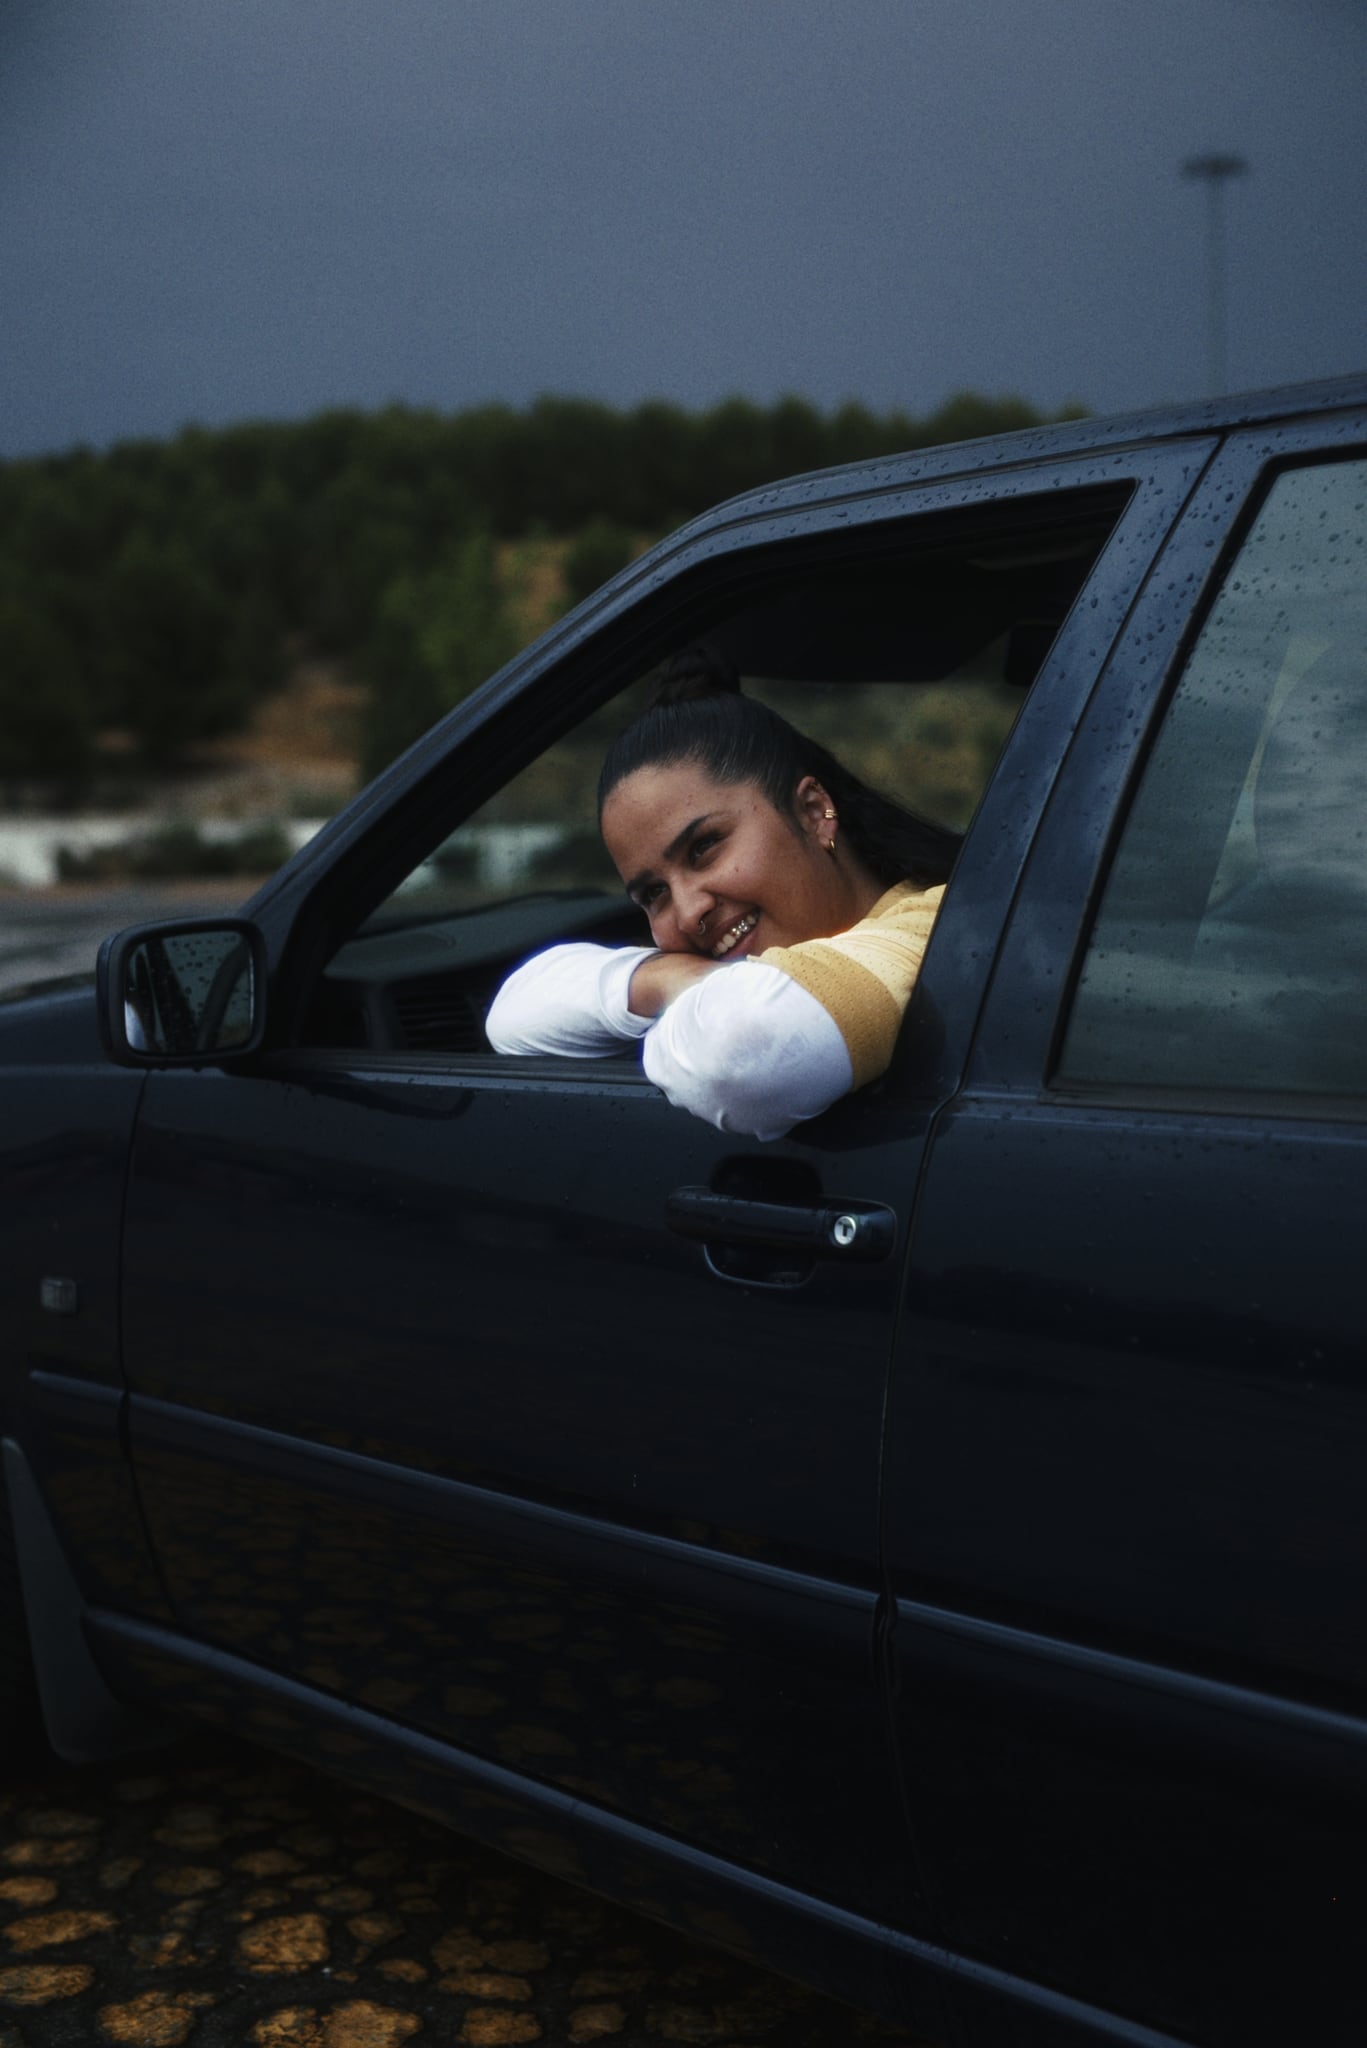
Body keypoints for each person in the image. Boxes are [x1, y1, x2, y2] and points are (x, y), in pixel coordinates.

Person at [486, 650, 959, 1139]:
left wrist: (681, 1000)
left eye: (705, 847)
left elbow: (739, 1054)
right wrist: (672, 978)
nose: (689, 913)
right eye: (653, 894)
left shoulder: (938, 926)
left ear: (814, 812)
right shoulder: (746, 968)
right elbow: (512, 1016)